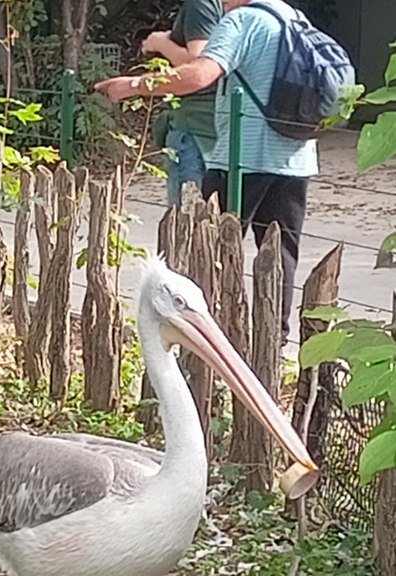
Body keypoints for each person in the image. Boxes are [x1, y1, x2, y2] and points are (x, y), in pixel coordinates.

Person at [96, 0, 314, 345]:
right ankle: (273, 342)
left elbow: (198, 75)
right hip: (296, 157)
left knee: (205, 245)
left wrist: (135, 85)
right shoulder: (290, 16)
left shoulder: (241, 20)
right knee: (280, 253)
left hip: (243, 158)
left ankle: (201, 337)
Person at [141, 0, 223, 206]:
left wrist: (160, 43)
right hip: (219, 126)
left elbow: (197, 61)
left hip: (193, 129)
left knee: (183, 222)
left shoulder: (200, 4)